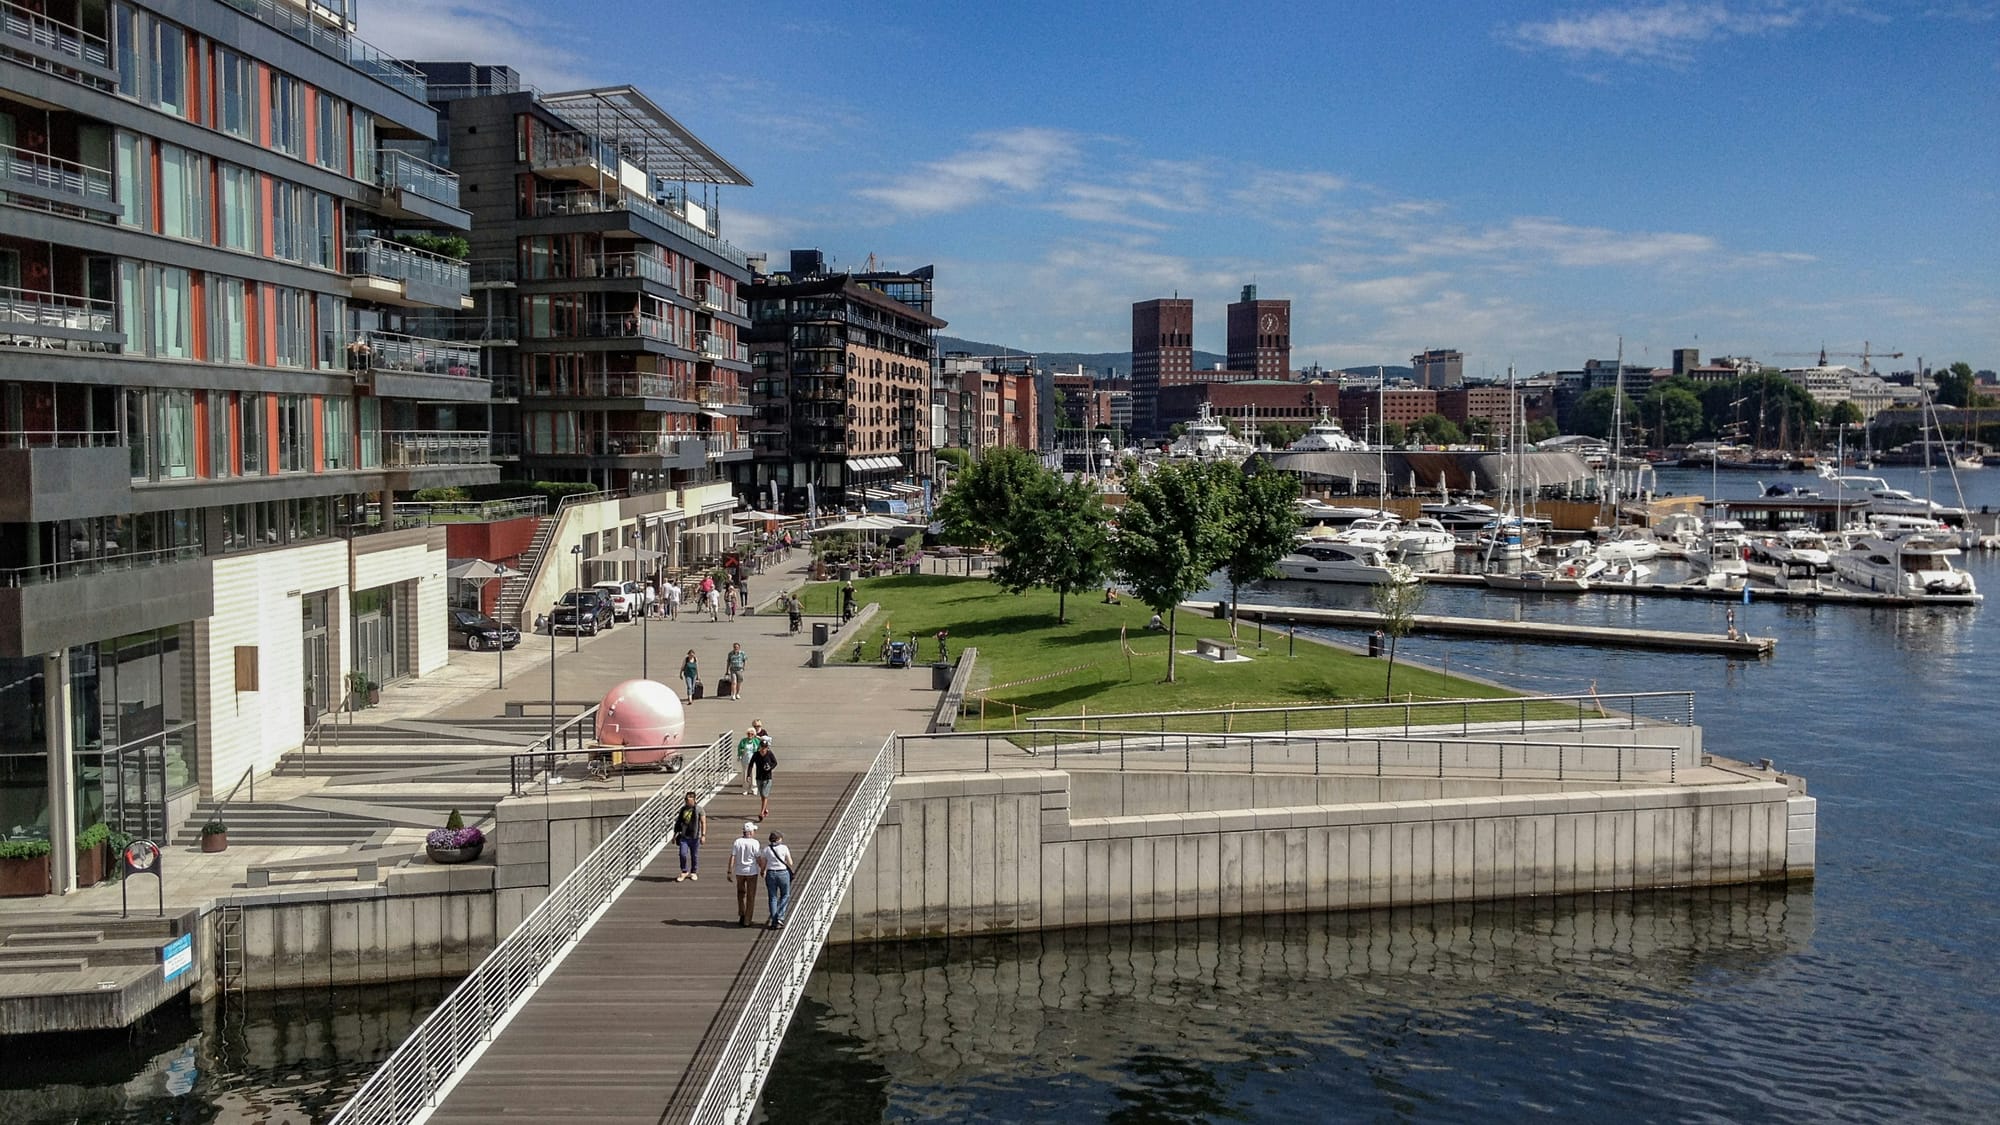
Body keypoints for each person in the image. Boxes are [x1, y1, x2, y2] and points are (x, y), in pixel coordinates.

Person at [760, 830, 795, 930]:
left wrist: (763, 871)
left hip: (770, 873)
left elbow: (763, 863)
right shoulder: (784, 848)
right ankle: (780, 916)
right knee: (785, 894)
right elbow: (790, 862)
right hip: (783, 873)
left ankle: (774, 921)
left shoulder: (766, 849)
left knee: (773, 897)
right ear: (779, 839)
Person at [729, 822, 762, 927]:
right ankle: (747, 919)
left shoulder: (737, 842)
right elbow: (758, 858)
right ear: (751, 832)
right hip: (751, 871)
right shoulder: (755, 843)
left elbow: (733, 856)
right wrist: (763, 869)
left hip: (739, 871)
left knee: (740, 893)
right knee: (750, 895)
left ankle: (741, 912)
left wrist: (729, 870)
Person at [671, 792, 706, 882]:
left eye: (688, 800)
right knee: (682, 854)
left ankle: (693, 871)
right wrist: (674, 836)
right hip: (684, 836)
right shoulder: (683, 809)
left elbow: (703, 822)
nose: (687, 802)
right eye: (686, 800)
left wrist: (703, 835)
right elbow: (678, 823)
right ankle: (684, 871)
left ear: (694, 800)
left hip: (695, 837)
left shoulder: (699, 809)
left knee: (694, 855)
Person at [751, 737, 777, 820]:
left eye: (765, 747)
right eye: (762, 747)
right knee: (762, 795)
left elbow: (775, 762)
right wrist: (748, 775)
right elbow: (751, 764)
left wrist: (770, 768)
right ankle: (765, 809)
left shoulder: (769, 754)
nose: (763, 749)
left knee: (765, 795)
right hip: (759, 777)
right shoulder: (756, 754)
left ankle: (761, 813)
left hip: (767, 778)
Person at [735, 730, 761, 796]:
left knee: (754, 774)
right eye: (748, 734)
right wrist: (740, 754)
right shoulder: (743, 741)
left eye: (752, 734)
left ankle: (754, 789)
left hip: (754, 760)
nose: (750, 735)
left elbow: (760, 748)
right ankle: (745, 789)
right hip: (745, 760)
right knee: (745, 774)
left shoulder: (756, 741)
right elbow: (739, 748)